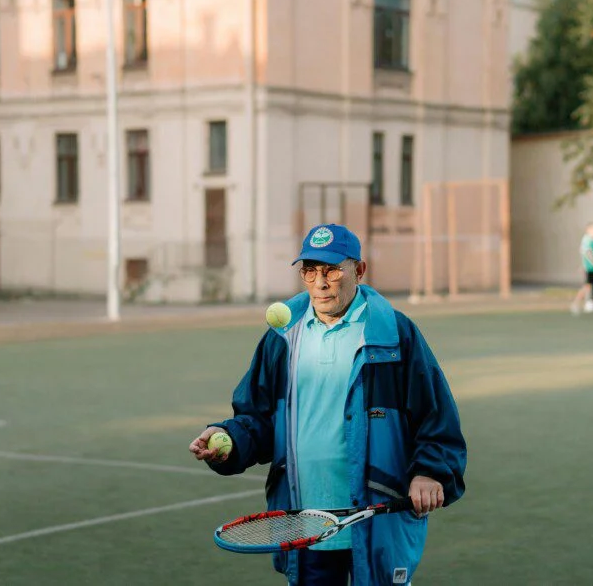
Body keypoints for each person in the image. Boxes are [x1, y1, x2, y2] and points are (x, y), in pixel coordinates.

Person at [189, 224, 466, 586]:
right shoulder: (283, 338)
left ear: (359, 271)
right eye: (310, 270)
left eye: (332, 270)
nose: (320, 282)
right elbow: (257, 416)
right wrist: (229, 439)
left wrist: (431, 470)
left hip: (376, 516)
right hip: (304, 521)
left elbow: (436, 415)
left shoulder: (393, 333)